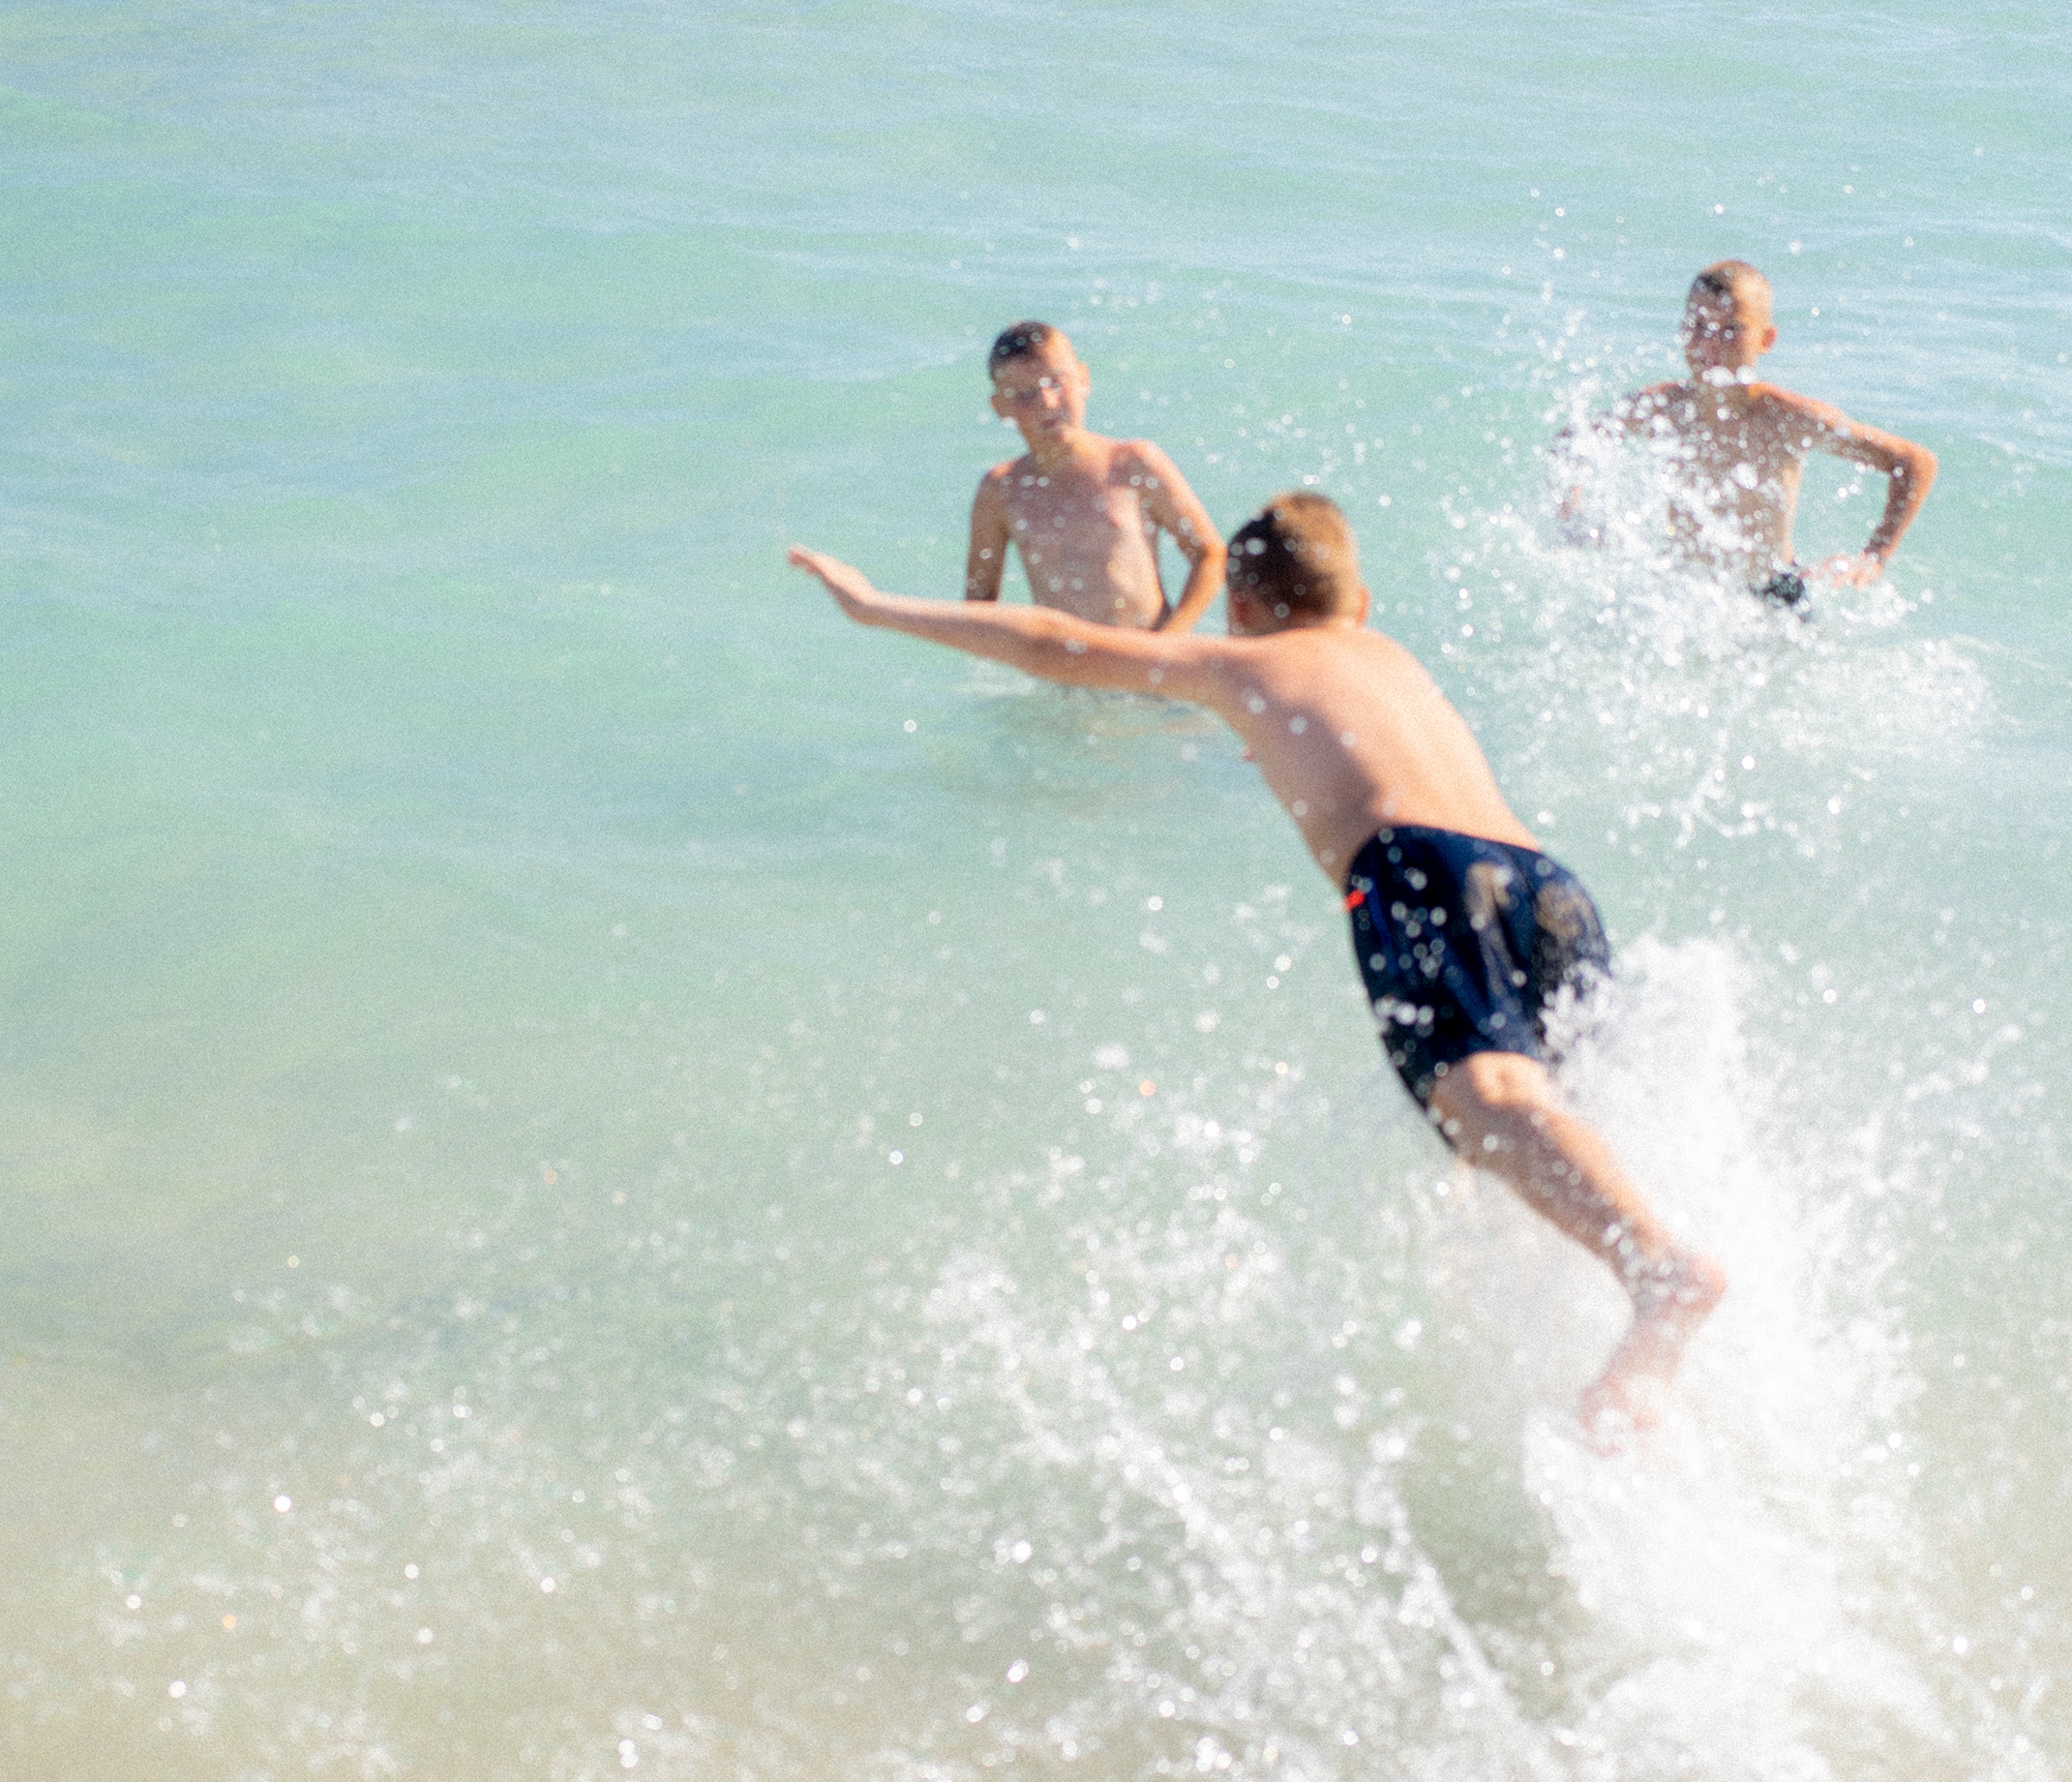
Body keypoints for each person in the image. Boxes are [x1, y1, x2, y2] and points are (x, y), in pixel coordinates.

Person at [789, 496, 1726, 1436]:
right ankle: (1587, 1372)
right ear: (1358, 602)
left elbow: (1051, 641)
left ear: (1239, 607)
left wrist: (877, 607)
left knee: (1486, 1097)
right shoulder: (1391, 658)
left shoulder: (1244, 663)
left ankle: (1658, 1268)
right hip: (1548, 889)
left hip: (1421, 869)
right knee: (1518, 1132)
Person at [1572, 260, 1936, 606]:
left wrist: (1875, 556)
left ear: (1766, 339)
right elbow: (1574, 441)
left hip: (1770, 597)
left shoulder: (1788, 418)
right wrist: (1574, 518)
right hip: (1682, 594)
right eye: (1698, 325)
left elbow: (1914, 462)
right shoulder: (1662, 407)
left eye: (1731, 330)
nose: (1709, 344)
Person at [964, 321, 1225, 648]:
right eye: (1026, 395)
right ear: (1001, 407)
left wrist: (1166, 645)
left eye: (1056, 382)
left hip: (1148, 657)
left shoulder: (1133, 464)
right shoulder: (1000, 491)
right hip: (1064, 669)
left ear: (1083, 379)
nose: (1048, 401)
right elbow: (978, 605)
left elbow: (1210, 555)